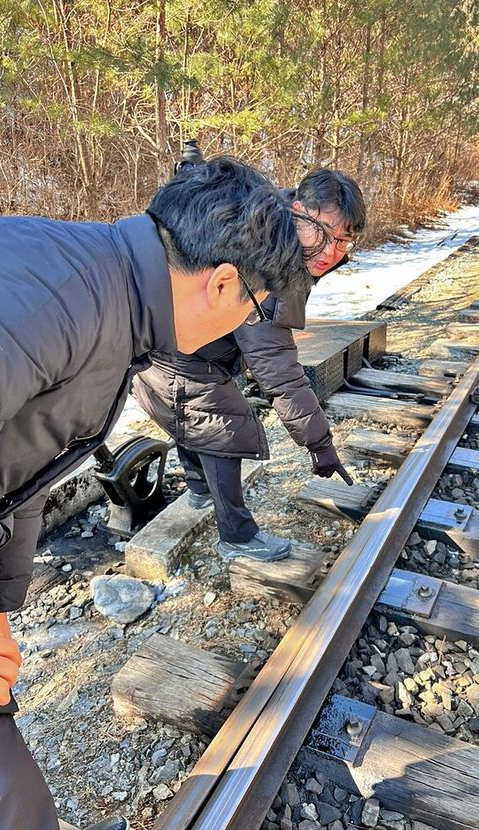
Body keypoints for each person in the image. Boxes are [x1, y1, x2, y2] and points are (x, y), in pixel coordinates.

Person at [0, 155, 320, 830]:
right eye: (256, 310)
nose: (251, 324)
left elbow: (19, 466)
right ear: (224, 282)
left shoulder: (111, 296)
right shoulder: (62, 302)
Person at [132, 166, 366, 562]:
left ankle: (201, 489)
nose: (331, 251)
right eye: (323, 233)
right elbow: (276, 365)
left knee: (193, 414)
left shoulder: (278, 228)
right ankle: (237, 537)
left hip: (177, 342)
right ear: (298, 210)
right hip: (168, 347)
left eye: (343, 240)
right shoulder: (269, 260)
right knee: (221, 424)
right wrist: (319, 442)